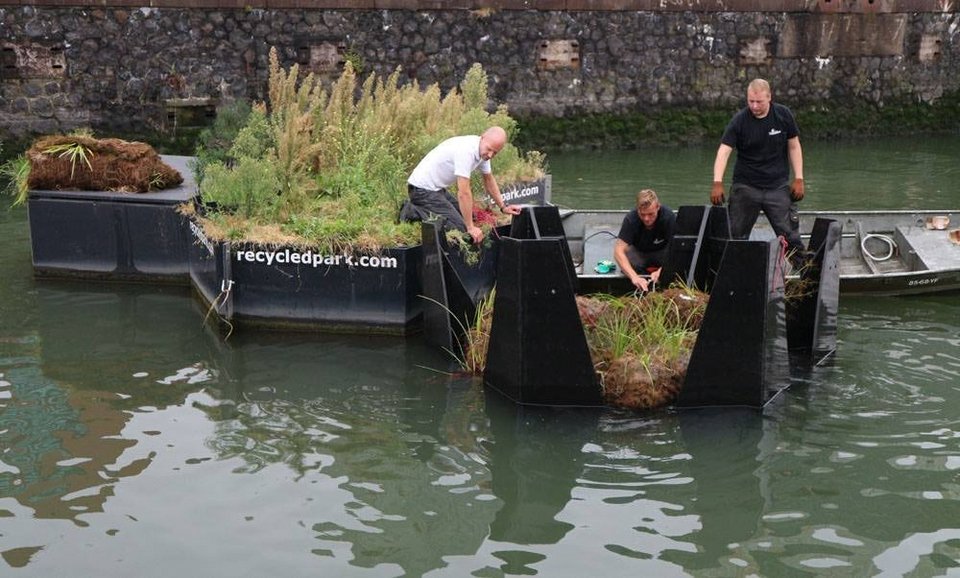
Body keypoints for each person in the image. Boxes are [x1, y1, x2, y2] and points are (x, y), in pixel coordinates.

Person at [710, 78, 805, 261]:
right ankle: (731, 275)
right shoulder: (739, 121)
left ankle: (806, 277)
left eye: (759, 102)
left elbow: (794, 146)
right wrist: (717, 181)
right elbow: (724, 151)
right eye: (750, 101)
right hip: (746, 186)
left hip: (777, 186)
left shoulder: (783, 115)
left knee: (791, 237)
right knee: (734, 236)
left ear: (769, 97)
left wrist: (799, 178)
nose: (754, 106)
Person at [403, 126, 522, 244]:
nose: (490, 155)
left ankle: (425, 209)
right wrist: (470, 228)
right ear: (482, 137)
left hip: (437, 190)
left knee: (473, 218)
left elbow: (489, 181)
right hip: (421, 190)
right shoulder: (466, 151)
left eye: (495, 153)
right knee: (462, 229)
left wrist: (503, 206)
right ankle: (412, 211)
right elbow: (464, 193)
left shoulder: (483, 152)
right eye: (489, 149)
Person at [614, 189, 676, 292]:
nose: (646, 219)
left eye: (651, 214)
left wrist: (662, 270)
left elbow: (675, 248)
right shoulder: (631, 219)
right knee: (627, 256)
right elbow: (618, 251)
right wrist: (634, 277)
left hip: (662, 253)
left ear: (658, 207)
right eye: (642, 214)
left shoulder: (668, 217)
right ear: (638, 209)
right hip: (640, 253)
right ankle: (641, 278)